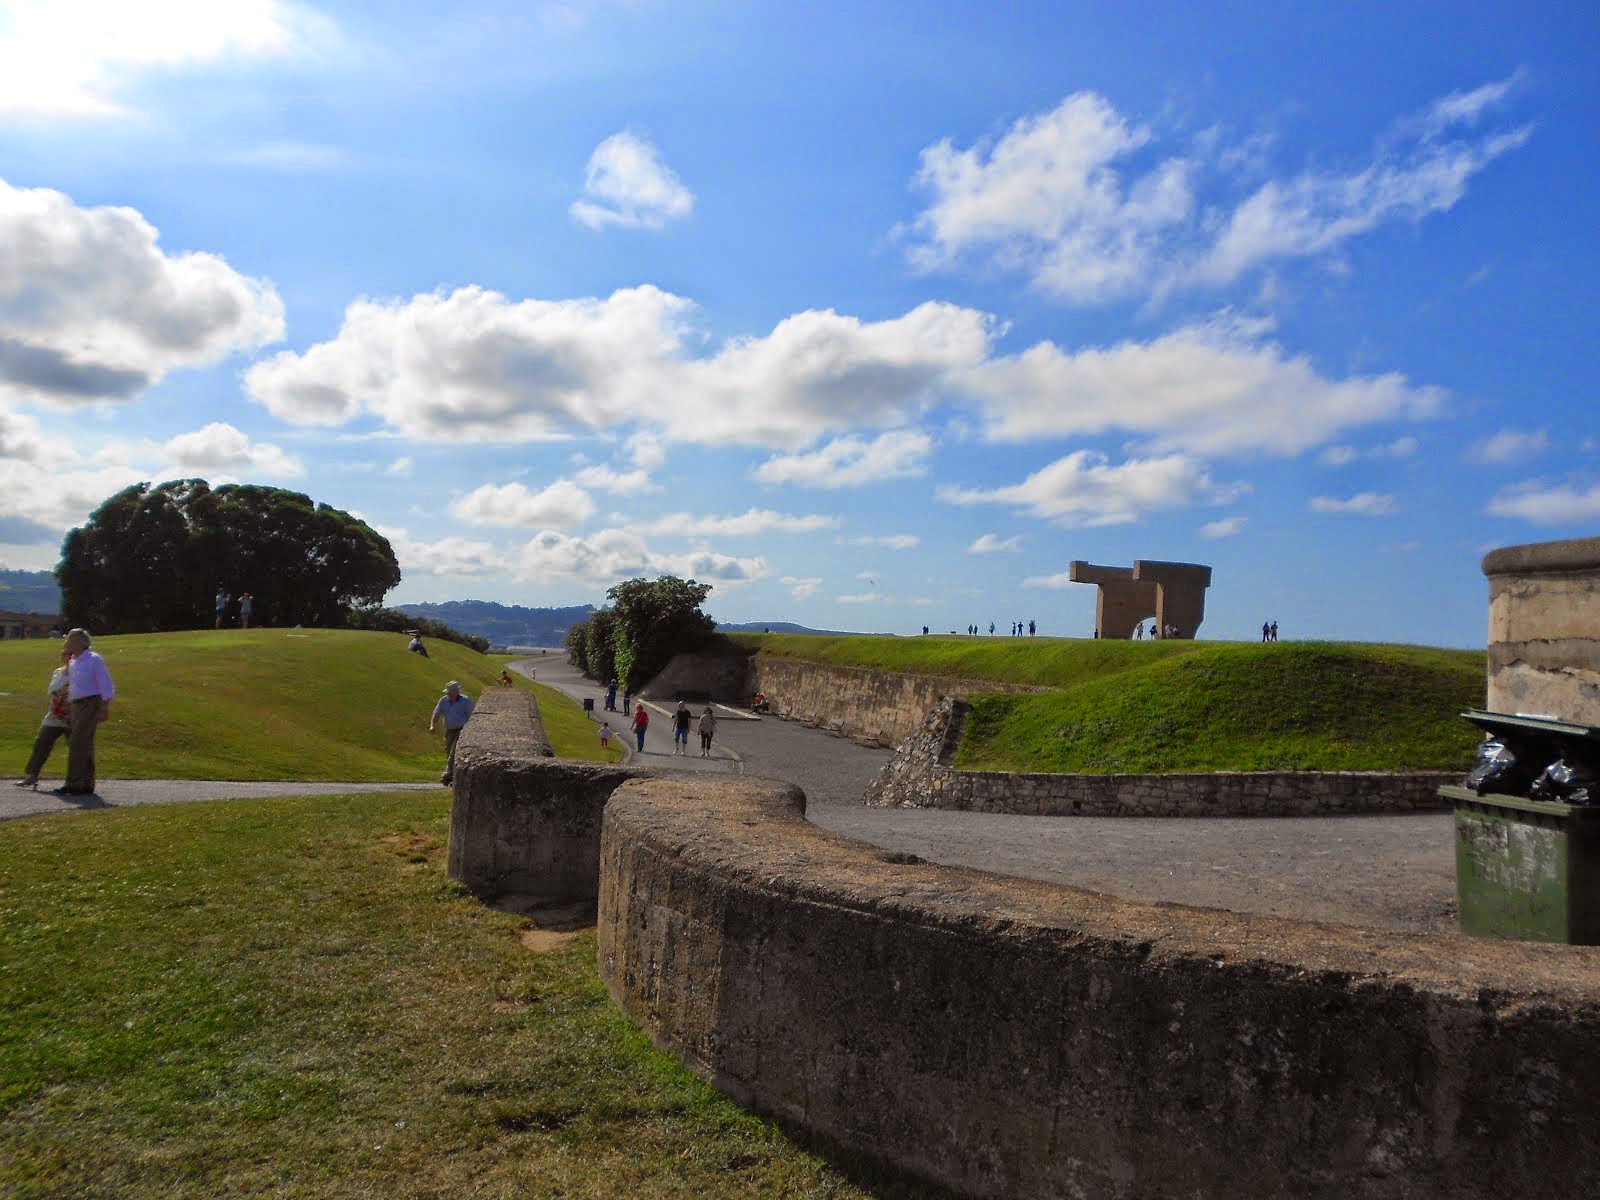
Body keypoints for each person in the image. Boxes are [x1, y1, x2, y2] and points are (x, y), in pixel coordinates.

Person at [59, 628, 114, 796]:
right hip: (76, 705)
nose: (66, 642)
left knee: (77, 743)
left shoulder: (93, 660)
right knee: (85, 745)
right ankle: (86, 783)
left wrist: (104, 707)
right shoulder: (73, 661)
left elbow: (105, 684)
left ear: (79, 642)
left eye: (69, 639)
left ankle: (74, 784)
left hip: (90, 703)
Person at [16, 646, 72, 789]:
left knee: (77, 749)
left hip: (72, 718)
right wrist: (56, 701)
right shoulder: (58, 672)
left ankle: (77, 781)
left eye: (71, 655)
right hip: (54, 716)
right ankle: (31, 776)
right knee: (41, 743)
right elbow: (52, 691)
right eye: (66, 654)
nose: (68, 657)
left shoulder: (81, 674)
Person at [428, 681, 474, 786]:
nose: (448, 695)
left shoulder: (466, 701)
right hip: (449, 731)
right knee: (449, 752)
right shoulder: (443, 701)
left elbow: (472, 716)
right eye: (447, 693)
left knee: (454, 753)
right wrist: (432, 726)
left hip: (461, 730)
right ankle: (454, 776)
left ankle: (447, 776)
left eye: (450, 693)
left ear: (456, 692)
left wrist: (468, 730)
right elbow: (436, 714)